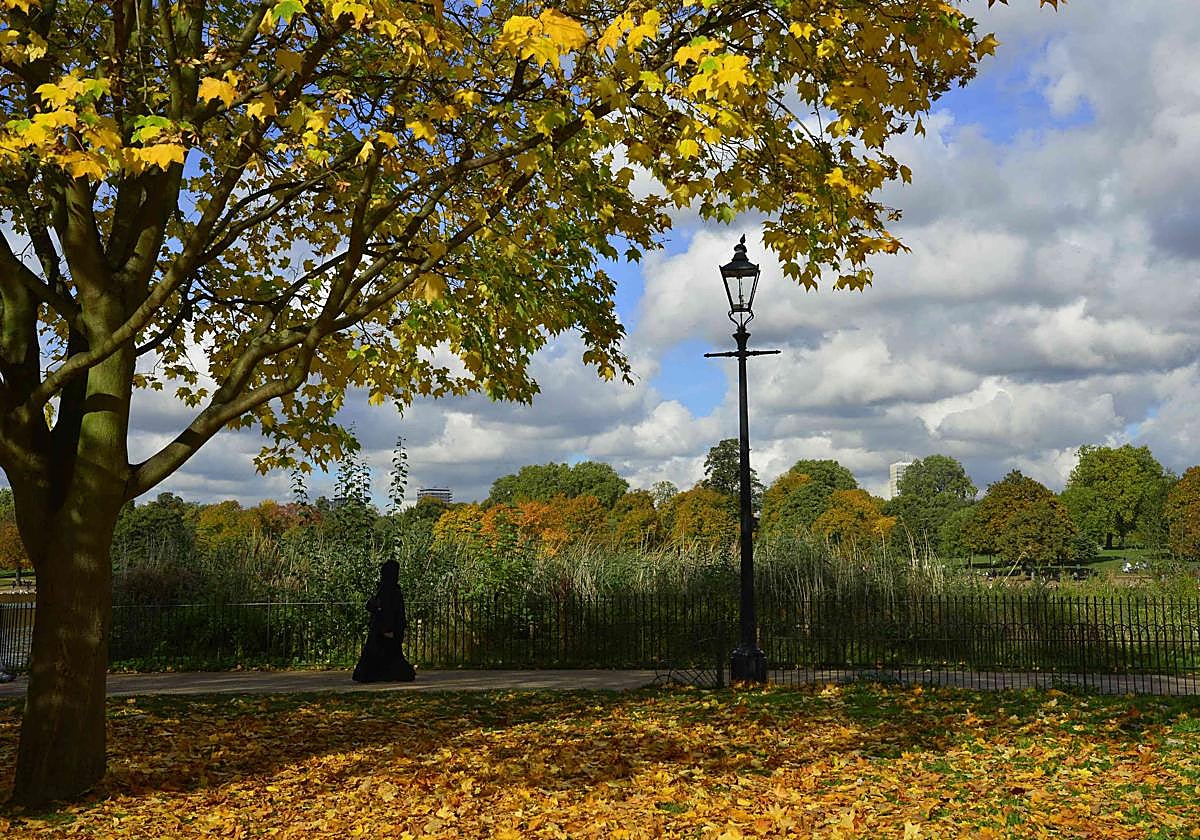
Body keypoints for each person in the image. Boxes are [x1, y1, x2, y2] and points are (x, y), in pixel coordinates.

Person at [352, 559, 416, 682]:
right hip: (384, 628)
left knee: (384, 654)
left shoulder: (386, 589)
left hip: (382, 627)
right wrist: (388, 628)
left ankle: (375, 674)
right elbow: (389, 610)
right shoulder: (390, 590)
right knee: (387, 654)